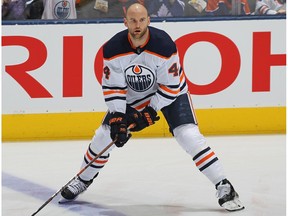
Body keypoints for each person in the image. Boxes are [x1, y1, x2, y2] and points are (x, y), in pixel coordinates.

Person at [58, 3, 245, 212]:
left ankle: (224, 185)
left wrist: (150, 111)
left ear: (148, 20)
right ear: (125, 21)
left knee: (188, 135)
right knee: (104, 135)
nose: (137, 25)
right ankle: (83, 179)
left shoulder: (164, 45)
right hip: (134, 96)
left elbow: (171, 87)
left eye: (141, 20)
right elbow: (113, 88)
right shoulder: (112, 49)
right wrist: (119, 118)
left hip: (170, 94)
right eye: (133, 20)